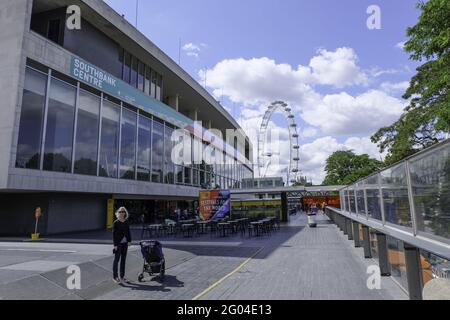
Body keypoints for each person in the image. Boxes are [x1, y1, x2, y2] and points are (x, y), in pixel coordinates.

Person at [112, 207, 132, 284]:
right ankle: (115, 277)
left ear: (125, 213)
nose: (121, 213)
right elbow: (114, 234)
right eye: (120, 211)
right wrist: (115, 245)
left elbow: (128, 231)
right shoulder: (116, 222)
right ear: (118, 213)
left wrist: (129, 240)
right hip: (118, 243)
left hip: (125, 243)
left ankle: (122, 277)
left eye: (123, 211)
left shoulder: (126, 221)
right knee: (116, 260)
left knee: (123, 260)